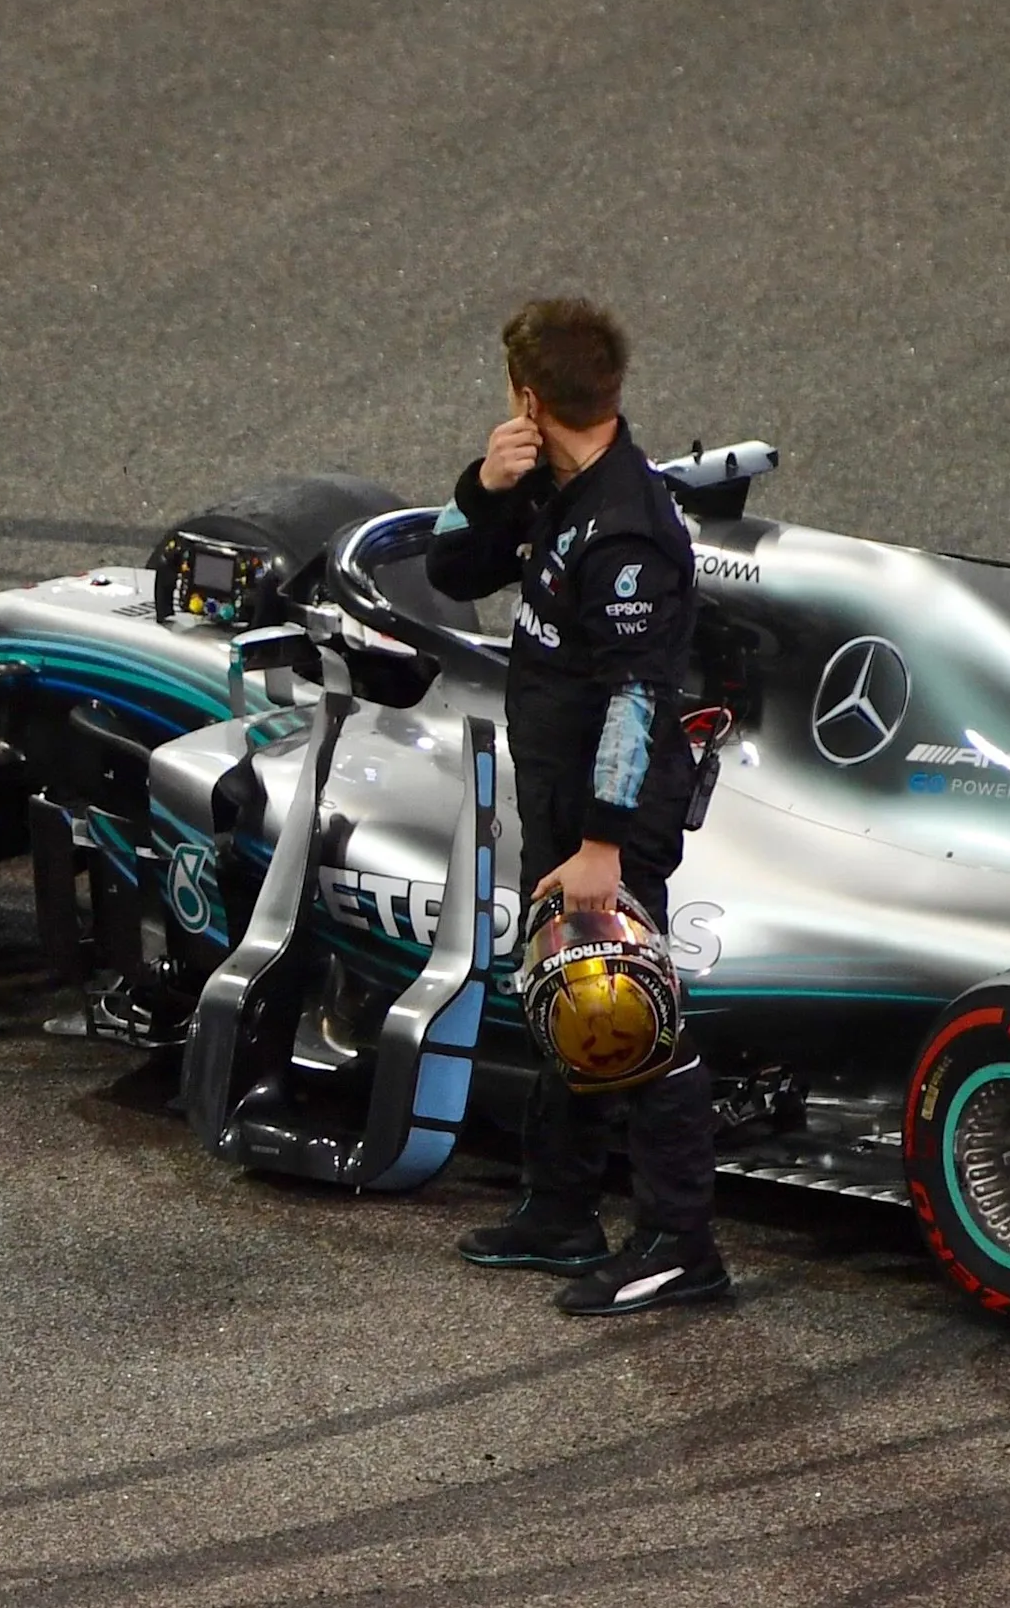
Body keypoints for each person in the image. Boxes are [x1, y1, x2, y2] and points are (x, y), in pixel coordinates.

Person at [424, 297, 727, 1314]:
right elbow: (450, 568)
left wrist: (600, 843)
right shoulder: (550, 488)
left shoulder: (625, 531)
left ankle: (680, 1245)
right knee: (567, 996)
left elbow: (636, 697)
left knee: (626, 1010)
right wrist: (480, 483)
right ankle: (558, 1211)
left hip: (614, 809)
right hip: (562, 791)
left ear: (526, 392)